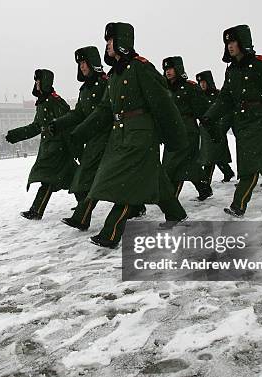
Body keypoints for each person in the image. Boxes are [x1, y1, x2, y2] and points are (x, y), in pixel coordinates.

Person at [69, 22, 188, 248]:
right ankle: (176, 214)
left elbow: (163, 103)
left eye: (110, 40)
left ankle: (110, 233)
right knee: (154, 178)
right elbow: (104, 110)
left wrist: (175, 138)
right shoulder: (114, 75)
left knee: (128, 184)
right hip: (120, 135)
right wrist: (79, 133)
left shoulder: (141, 68)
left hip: (140, 135)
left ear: (122, 41)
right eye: (106, 41)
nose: (107, 45)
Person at [202, 24, 262, 218]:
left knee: (250, 164)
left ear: (243, 42)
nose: (230, 46)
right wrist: (209, 116)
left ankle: (238, 205)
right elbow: (225, 98)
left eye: (234, 41)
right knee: (261, 162)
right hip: (243, 122)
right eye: (227, 42)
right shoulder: (231, 71)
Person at [50, 46, 109, 230]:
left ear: (93, 63)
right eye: (80, 63)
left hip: (108, 137)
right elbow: (79, 113)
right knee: (93, 177)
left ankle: (81, 217)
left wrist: (81, 131)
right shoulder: (84, 89)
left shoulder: (106, 83)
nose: (82, 66)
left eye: (85, 62)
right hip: (93, 138)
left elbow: (103, 112)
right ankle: (135, 206)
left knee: (94, 178)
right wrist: (58, 123)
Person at [5, 69, 74, 220]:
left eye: (39, 81)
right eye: (35, 81)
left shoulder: (56, 101)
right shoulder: (42, 102)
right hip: (49, 146)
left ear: (46, 82)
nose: (36, 84)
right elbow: (36, 126)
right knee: (72, 177)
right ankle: (85, 203)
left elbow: (69, 121)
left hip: (58, 147)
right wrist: (16, 135)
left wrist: (71, 146)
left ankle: (36, 211)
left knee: (48, 178)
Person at [161, 56, 213, 201]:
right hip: (171, 132)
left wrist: (212, 128)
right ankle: (204, 187)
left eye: (170, 68)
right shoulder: (164, 88)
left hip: (187, 130)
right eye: (166, 69)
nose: (168, 72)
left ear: (178, 69)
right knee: (189, 164)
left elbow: (203, 110)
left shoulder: (190, 87)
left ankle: (171, 203)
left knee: (173, 167)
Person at [195, 69, 235, 183]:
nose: (202, 85)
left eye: (204, 82)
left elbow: (226, 111)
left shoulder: (218, 95)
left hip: (217, 128)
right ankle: (227, 172)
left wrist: (222, 126)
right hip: (205, 130)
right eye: (200, 83)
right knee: (214, 155)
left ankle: (206, 183)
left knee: (210, 157)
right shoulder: (198, 96)